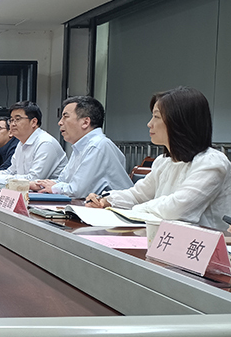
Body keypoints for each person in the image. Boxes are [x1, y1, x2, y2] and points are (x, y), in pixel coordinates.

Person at [86, 87, 231, 231]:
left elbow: (177, 209)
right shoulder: (164, 161)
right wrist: (106, 200)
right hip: (165, 238)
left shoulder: (212, 162)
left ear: (179, 121)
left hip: (201, 243)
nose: (149, 124)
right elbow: (138, 195)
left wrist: (136, 209)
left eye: (156, 117)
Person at [30, 96, 132, 198]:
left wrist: (53, 187)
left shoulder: (98, 146)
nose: (60, 122)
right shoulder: (81, 147)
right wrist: (40, 184)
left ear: (85, 122)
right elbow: (63, 181)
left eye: (65, 117)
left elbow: (77, 191)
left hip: (113, 207)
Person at [0, 101, 67, 184]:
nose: (13, 124)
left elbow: (34, 179)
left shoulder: (45, 143)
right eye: (11, 120)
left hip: (52, 198)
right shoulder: (21, 144)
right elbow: (10, 172)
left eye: (17, 119)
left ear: (34, 122)